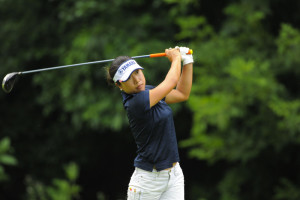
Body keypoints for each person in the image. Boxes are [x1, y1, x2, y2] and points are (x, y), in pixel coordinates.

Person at [106, 46, 193, 200]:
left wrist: (187, 61)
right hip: (148, 181)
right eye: (128, 78)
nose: (137, 80)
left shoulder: (149, 91)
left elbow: (182, 93)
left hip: (174, 175)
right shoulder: (135, 103)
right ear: (119, 85)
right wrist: (176, 58)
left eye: (137, 72)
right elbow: (171, 80)